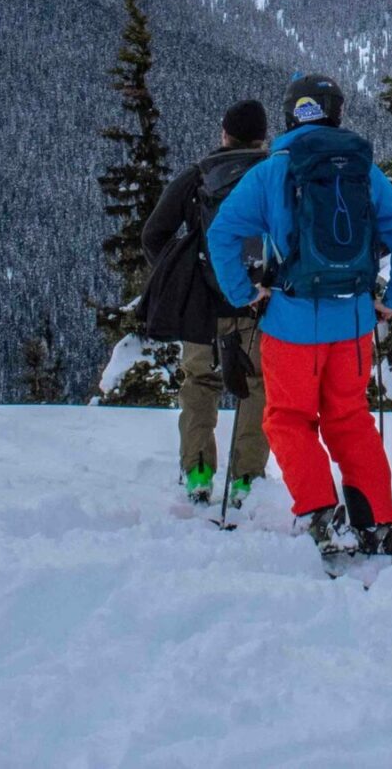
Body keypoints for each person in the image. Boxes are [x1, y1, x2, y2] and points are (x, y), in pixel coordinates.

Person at [205, 74, 392, 558]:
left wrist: (246, 294)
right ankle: (378, 523)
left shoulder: (269, 172)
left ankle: (322, 515)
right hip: (354, 324)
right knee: (350, 419)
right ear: (336, 113)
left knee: (287, 420)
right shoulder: (363, 171)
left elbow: (221, 235)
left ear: (289, 114)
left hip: (289, 323)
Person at [142, 98, 272, 507]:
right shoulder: (274, 176)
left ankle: (198, 472)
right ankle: (246, 480)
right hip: (259, 303)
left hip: (204, 305)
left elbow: (153, 235)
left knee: (200, 383)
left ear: (224, 134)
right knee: (258, 386)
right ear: (262, 138)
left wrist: (181, 271)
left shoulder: (199, 177)